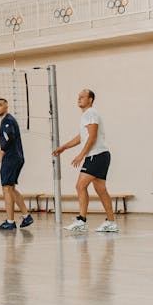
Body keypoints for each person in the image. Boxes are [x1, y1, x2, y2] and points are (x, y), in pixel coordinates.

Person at [52, 89, 118, 233]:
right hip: (101, 155)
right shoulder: (86, 115)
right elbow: (81, 137)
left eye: (83, 97)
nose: (79, 98)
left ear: (91, 100)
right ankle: (111, 222)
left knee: (80, 186)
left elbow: (92, 137)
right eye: (78, 96)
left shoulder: (91, 113)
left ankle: (82, 220)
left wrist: (81, 155)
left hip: (96, 155)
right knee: (101, 190)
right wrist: (64, 147)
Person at [0, 98, 33, 230]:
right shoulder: (7, 120)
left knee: (7, 188)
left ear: (7, 106)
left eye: (0, 105)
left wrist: (2, 151)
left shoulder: (7, 120)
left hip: (11, 158)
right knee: (11, 188)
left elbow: (11, 136)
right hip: (17, 157)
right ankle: (26, 216)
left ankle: (10, 221)